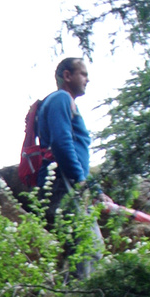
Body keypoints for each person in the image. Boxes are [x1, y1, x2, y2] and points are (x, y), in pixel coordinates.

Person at [37, 57, 104, 279]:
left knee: (84, 246)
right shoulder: (61, 99)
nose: (87, 79)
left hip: (68, 181)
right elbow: (61, 143)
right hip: (62, 182)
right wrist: (80, 179)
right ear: (67, 75)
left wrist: (96, 191)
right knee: (89, 244)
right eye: (83, 74)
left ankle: (72, 293)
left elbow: (74, 153)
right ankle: (78, 295)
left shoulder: (64, 101)